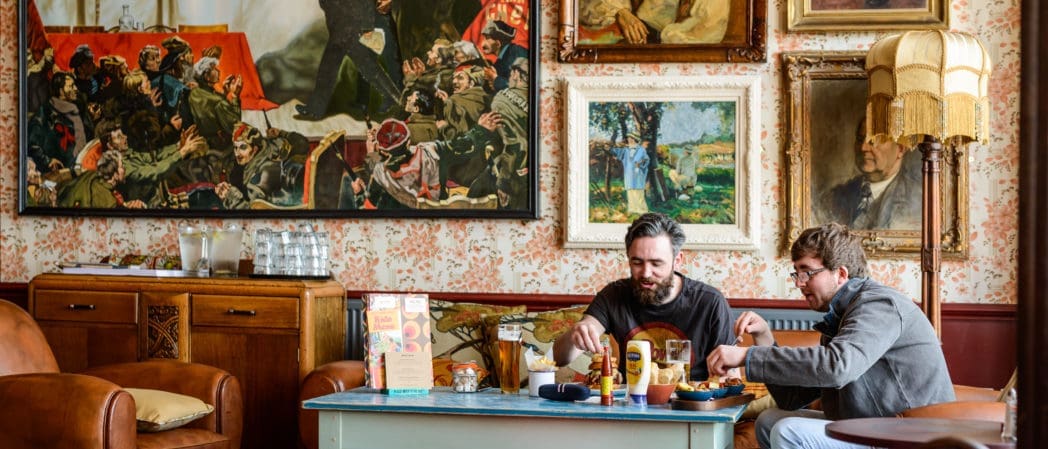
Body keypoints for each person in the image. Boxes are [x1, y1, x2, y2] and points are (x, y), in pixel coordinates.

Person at [705, 223, 955, 449]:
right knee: (769, 420)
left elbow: (837, 366)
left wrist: (748, 355)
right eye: (797, 273)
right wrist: (764, 338)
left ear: (841, 274)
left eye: (807, 273)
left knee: (787, 430)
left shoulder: (880, 304)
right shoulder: (841, 316)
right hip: (874, 427)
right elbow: (790, 398)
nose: (799, 283)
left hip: (909, 436)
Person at [553, 212, 737, 382]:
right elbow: (559, 358)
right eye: (637, 262)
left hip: (692, 409)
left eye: (656, 263)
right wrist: (576, 334)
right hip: (631, 407)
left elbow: (731, 376)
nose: (646, 273)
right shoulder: (613, 295)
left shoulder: (710, 302)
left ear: (677, 260)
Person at [295, 0, 402, 120]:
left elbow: (365, 2)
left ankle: (397, 99)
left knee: (371, 70)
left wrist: (367, 27)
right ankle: (315, 110)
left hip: (353, 32)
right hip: (338, 34)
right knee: (326, 72)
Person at [816, 121, 921, 230]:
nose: (863, 148)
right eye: (860, 139)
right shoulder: (834, 197)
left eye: (873, 141)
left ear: (901, 148)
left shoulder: (918, 200)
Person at [578, 0, 730, 44]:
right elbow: (583, 6)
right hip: (629, 39)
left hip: (669, 54)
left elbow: (706, 36)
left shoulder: (715, 5)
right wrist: (621, 13)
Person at [478, 19, 528, 92]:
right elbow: (489, 90)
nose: (483, 43)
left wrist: (495, 79)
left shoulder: (517, 51)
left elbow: (523, 85)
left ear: (498, 43)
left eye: (487, 38)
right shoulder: (497, 64)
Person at [610, 132, 650, 215]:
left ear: (635, 139)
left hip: (638, 173)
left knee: (638, 192)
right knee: (630, 191)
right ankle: (632, 209)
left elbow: (647, 160)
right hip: (629, 173)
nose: (629, 140)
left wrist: (641, 163)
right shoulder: (626, 150)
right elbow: (617, 152)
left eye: (631, 138)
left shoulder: (641, 150)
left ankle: (642, 210)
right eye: (628, 138)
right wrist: (609, 149)